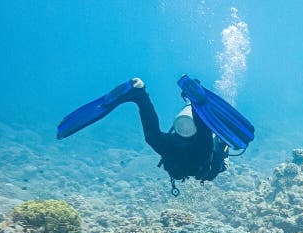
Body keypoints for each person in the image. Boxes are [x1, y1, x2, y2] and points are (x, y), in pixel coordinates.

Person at [57, 75, 254, 195]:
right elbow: (218, 150)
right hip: (193, 155)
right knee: (157, 138)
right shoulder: (215, 161)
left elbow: (208, 137)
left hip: (176, 144)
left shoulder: (206, 146)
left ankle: (141, 95)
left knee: (155, 137)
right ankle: (194, 103)